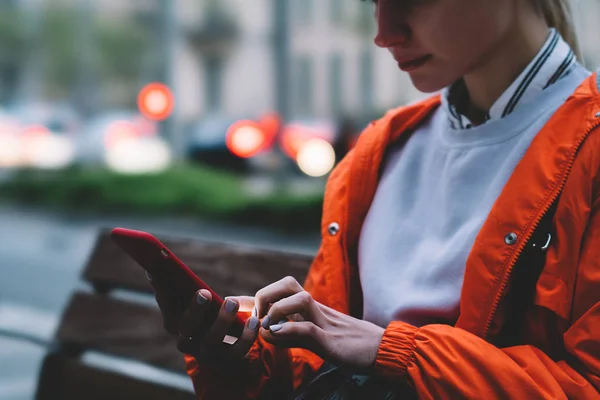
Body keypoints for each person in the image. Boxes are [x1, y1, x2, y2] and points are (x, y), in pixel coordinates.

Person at [150, 0, 600, 398]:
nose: (384, 33)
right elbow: (320, 371)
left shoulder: (589, 152)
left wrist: (395, 352)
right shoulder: (379, 152)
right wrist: (235, 359)